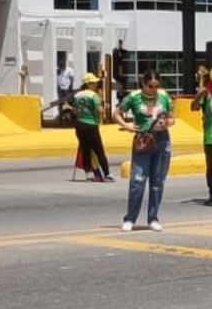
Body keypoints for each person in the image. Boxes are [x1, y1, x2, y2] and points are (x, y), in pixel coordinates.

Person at [115, 73, 175, 231]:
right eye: (150, 86)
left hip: (162, 139)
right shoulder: (133, 97)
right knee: (137, 181)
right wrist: (127, 125)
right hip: (143, 140)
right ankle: (130, 218)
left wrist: (166, 123)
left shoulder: (164, 96)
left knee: (157, 181)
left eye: (156, 86)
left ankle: (153, 217)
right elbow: (117, 113)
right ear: (143, 83)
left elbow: (172, 117)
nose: (153, 90)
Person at [73, 72, 111, 182]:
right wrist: (104, 110)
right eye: (94, 83)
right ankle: (106, 173)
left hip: (80, 124)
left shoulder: (77, 95)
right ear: (88, 84)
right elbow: (99, 109)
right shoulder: (94, 95)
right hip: (91, 124)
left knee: (85, 149)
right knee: (99, 149)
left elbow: (75, 111)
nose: (96, 85)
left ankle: (88, 173)